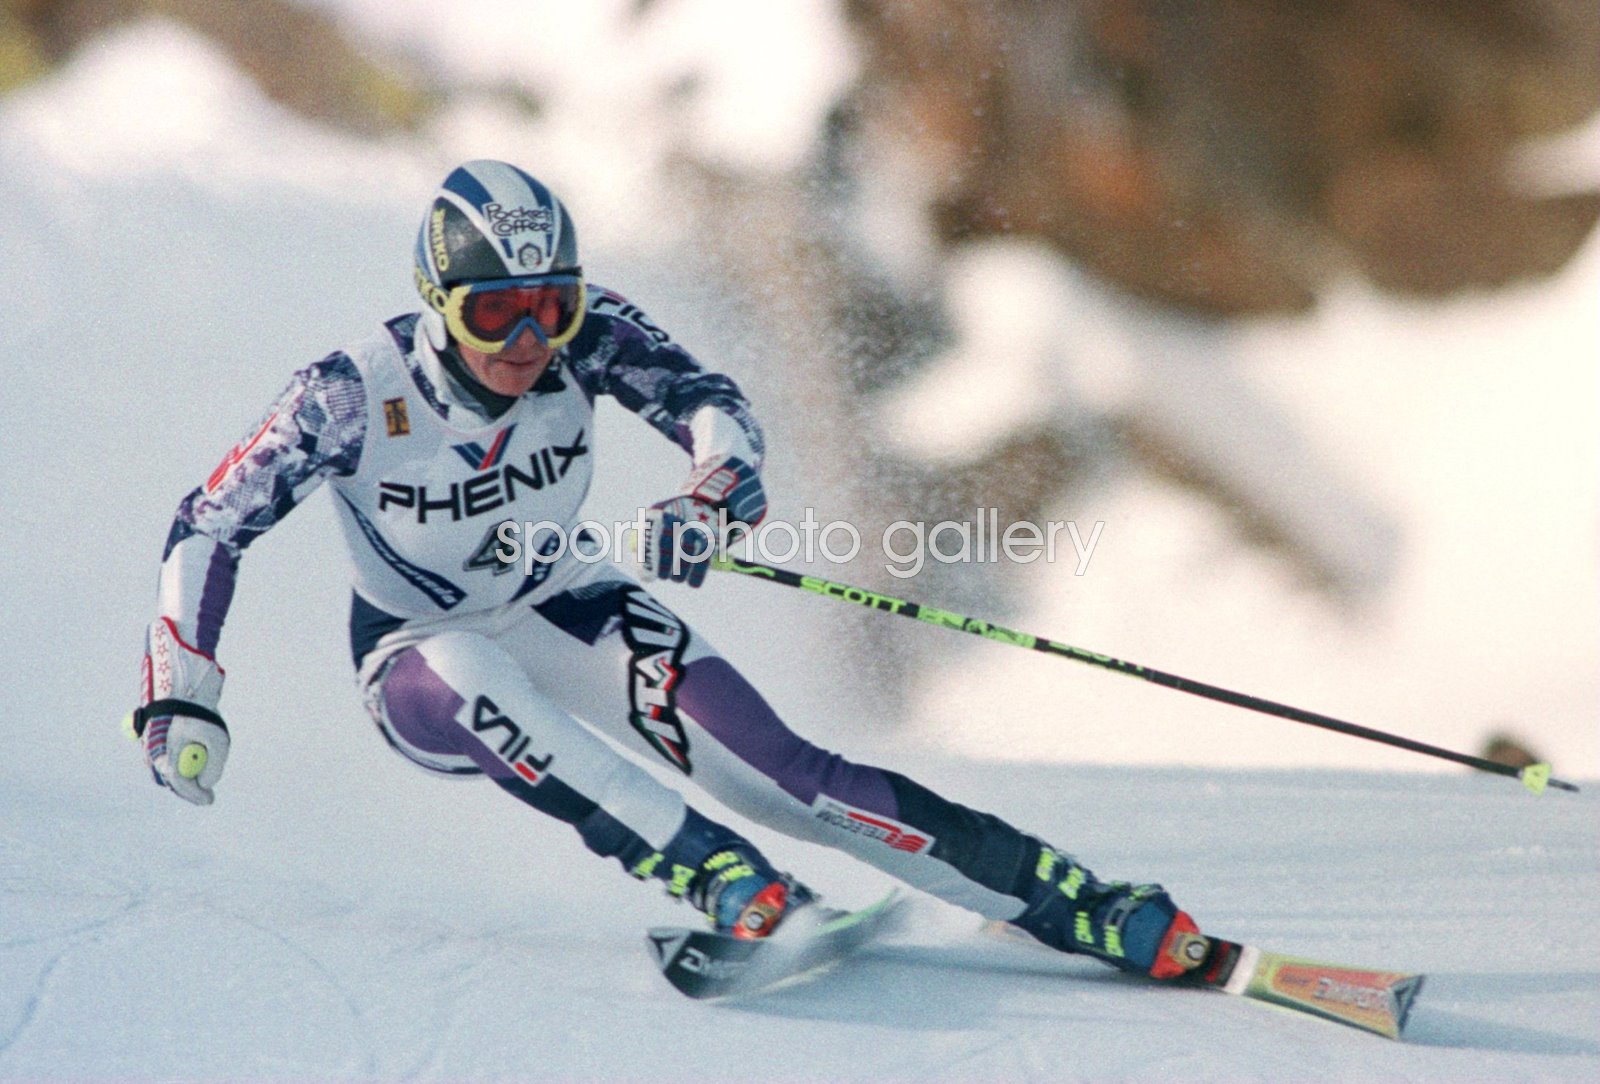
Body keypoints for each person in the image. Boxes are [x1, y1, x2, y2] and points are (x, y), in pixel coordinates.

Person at [131, 159, 1204, 973]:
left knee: (786, 777)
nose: (526, 336)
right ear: (436, 302)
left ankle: (1078, 904)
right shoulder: (348, 392)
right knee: (479, 682)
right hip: (418, 656)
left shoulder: (585, 339)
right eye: (493, 310)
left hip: (567, 597)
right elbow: (208, 523)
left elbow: (710, 405)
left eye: (549, 304)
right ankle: (730, 883)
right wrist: (182, 694)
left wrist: (708, 495)